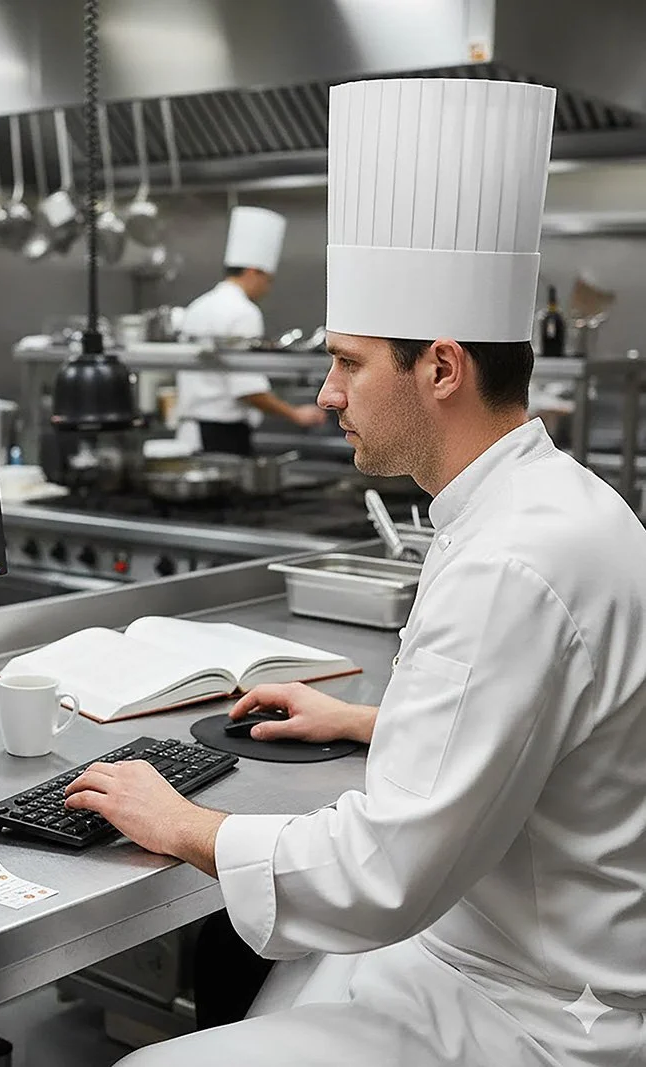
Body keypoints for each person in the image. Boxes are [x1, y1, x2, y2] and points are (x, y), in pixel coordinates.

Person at [64, 78, 646, 1067]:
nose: (326, 393)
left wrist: (184, 820)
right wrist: (366, 720)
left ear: (441, 367)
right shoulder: (548, 502)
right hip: (501, 943)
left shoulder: (514, 557)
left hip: (537, 1010)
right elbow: (548, 729)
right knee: (252, 987)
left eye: (347, 362)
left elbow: (383, 874)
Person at [175, 205, 327, 455]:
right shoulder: (243, 311)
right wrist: (295, 414)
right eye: (267, 280)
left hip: (190, 434)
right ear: (253, 271)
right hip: (222, 436)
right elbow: (246, 389)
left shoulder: (198, 305)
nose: (267, 289)